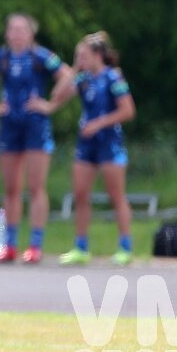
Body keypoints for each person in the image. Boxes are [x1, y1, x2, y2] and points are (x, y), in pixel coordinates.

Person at [27, 32, 137, 266]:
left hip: (109, 142)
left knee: (116, 195)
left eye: (83, 56)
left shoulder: (112, 78)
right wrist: (74, 70)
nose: (80, 59)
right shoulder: (83, 79)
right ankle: (81, 246)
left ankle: (125, 247)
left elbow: (127, 111)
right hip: (86, 144)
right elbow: (57, 95)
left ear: (98, 55)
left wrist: (99, 123)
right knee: (80, 194)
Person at [0, 13, 74, 264]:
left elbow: (69, 77)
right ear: (7, 34)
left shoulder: (41, 57)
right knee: (11, 187)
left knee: (36, 186)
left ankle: (35, 245)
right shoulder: (0, 57)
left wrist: (51, 105)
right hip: (10, 124)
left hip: (35, 125)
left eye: (22, 30)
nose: (17, 34)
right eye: (13, 30)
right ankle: (9, 245)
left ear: (31, 34)